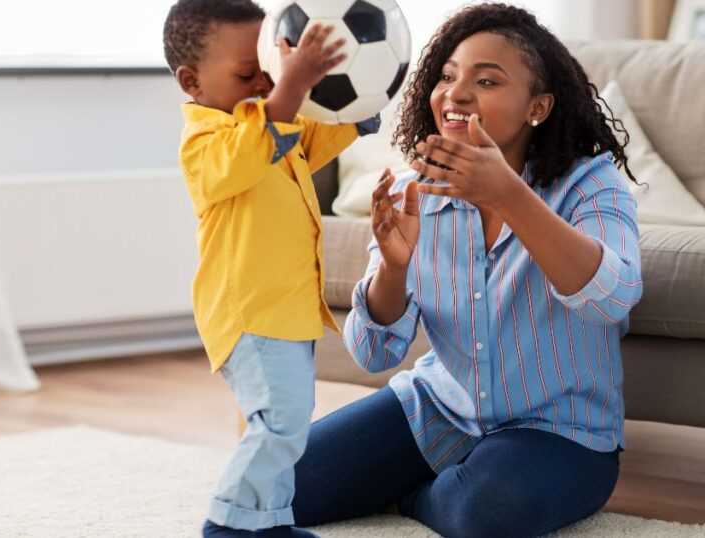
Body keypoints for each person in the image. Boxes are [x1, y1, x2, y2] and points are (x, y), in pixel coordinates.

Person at [291, 3, 643, 537]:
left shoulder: (590, 184)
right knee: (277, 487)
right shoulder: (420, 192)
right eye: (448, 77)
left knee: (490, 512)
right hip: (439, 408)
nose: (454, 93)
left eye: (487, 80)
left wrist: (508, 192)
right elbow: (372, 352)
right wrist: (393, 267)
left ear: (539, 106)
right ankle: (447, 478)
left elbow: (611, 298)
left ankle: (417, 496)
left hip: (560, 432)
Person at [162, 1, 379, 536]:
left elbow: (310, 136)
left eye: (267, 66)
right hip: (249, 309)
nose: (263, 81)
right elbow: (254, 148)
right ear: (192, 81)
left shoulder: (269, 124)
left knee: (285, 425)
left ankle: (270, 523)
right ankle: (228, 522)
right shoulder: (205, 142)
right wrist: (290, 85)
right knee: (279, 423)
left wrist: (360, 105)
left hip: (286, 309)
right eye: (245, 74)